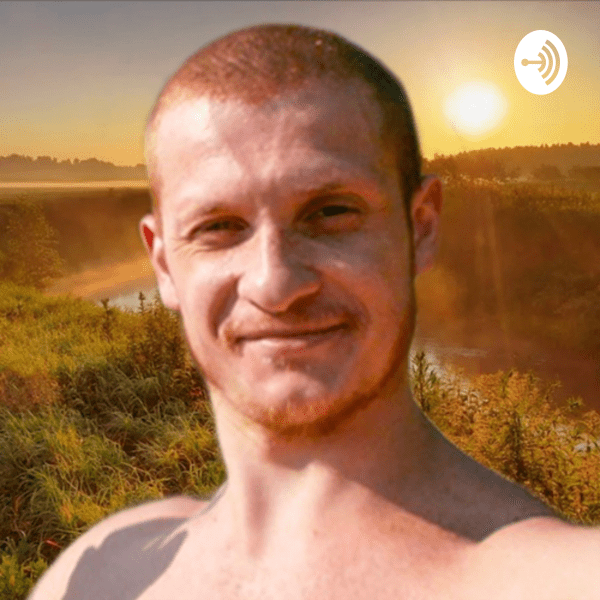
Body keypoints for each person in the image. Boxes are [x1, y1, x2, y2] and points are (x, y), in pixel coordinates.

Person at [29, 24, 598, 600]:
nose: (275, 283)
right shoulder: (99, 574)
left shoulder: (552, 578)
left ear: (421, 228)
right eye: (219, 226)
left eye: (330, 212)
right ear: (163, 264)